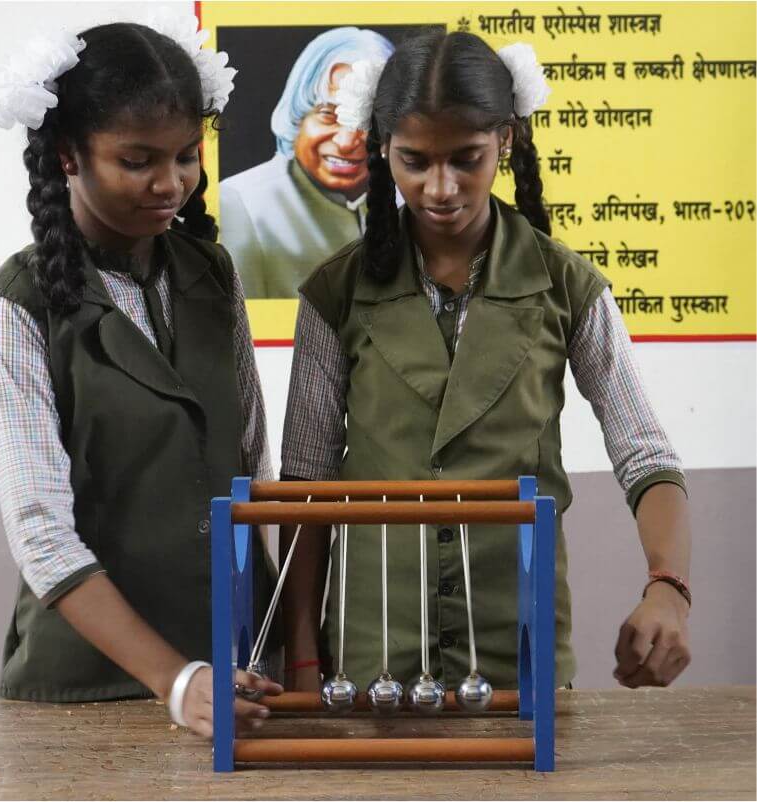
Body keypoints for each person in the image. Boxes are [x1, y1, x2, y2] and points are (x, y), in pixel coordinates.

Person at [279, 31, 692, 694]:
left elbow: (645, 458)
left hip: (514, 642)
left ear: (505, 140)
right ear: (381, 148)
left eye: (465, 159)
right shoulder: (334, 294)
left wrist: (668, 588)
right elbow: (305, 482)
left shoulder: (568, 287)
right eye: (414, 161)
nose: (439, 187)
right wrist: (300, 656)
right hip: (372, 647)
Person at [0, 16, 282, 738]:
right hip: (90, 689)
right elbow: (44, 538)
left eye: (185, 157)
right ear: (67, 157)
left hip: (237, 668)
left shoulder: (212, 274)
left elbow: (252, 467)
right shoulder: (14, 309)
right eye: (137, 160)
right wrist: (174, 680)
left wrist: (292, 646)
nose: (169, 183)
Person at [218, 26, 394, 298]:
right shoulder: (241, 204)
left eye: (367, 120)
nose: (347, 142)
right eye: (328, 114)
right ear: (296, 115)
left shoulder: (414, 202)